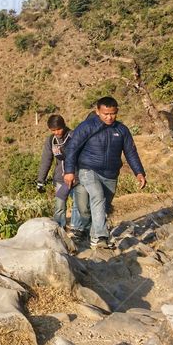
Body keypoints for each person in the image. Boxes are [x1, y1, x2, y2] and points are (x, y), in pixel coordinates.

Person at [63, 96, 147, 249]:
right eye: (105, 114)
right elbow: (72, 148)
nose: (109, 117)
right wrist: (69, 171)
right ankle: (100, 236)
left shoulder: (121, 130)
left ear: (117, 111)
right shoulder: (87, 127)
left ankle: (94, 237)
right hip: (88, 170)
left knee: (103, 206)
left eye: (113, 114)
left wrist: (139, 172)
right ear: (97, 112)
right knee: (97, 198)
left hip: (110, 174)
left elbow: (131, 152)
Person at [35, 114, 79, 230]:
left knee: (78, 205)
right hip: (60, 179)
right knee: (59, 206)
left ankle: (77, 230)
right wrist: (41, 180)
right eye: (53, 130)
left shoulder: (74, 136)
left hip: (76, 178)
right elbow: (46, 160)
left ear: (64, 126)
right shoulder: (51, 140)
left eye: (58, 129)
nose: (57, 132)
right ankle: (60, 230)